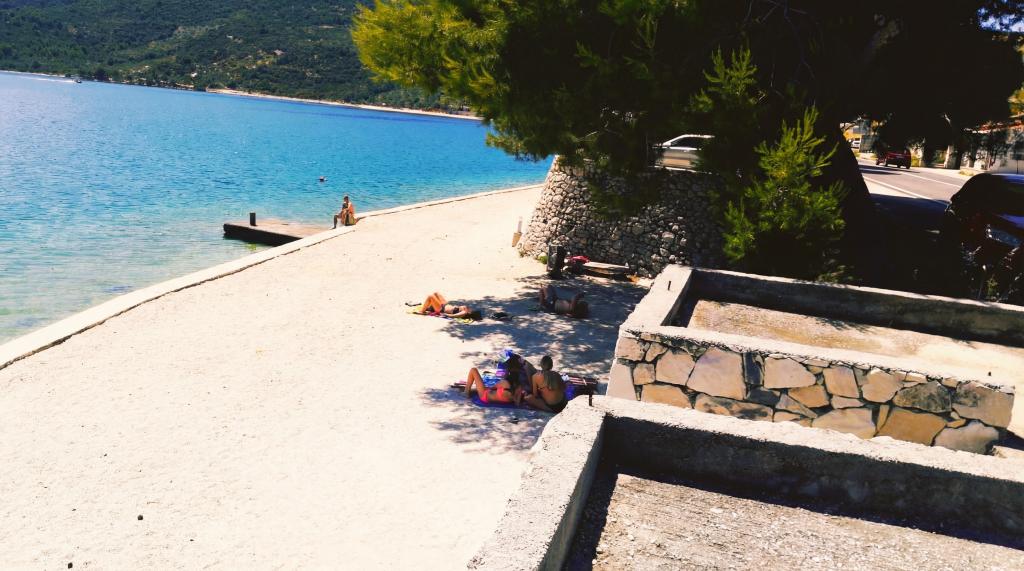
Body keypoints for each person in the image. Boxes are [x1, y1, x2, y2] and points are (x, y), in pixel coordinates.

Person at [416, 292, 482, 320]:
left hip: (441, 309)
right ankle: (429, 307)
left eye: (473, 311)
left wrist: (446, 315)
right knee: (436, 293)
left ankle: (422, 311)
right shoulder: (466, 310)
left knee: (430, 296)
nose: (472, 309)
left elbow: (454, 316)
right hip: (445, 305)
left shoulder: (464, 312)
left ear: (472, 313)